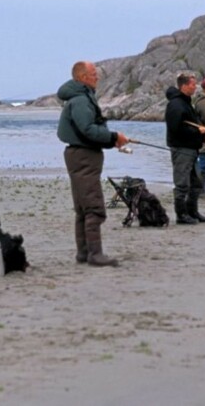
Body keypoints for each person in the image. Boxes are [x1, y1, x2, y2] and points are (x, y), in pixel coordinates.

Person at [57, 61, 130, 267]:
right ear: (82, 77)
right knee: (93, 207)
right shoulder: (80, 100)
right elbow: (88, 129)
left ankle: (84, 253)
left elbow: (89, 130)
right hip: (83, 156)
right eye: (93, 74)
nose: (97, 77)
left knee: (83, 208)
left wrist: (111, 140)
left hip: (80, 155)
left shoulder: (80, 97)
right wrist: (114, 136)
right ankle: (95, 255)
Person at [165, 72, 205, 225]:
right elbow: (175, 128)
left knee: (196, 182)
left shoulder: (186, 102)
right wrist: (197, 131)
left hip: (192, 148)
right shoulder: (176, 105)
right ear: (184, 86)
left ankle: (192, 211)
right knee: (182, 183)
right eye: (192, 84)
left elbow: (191, 124)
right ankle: (181, 215)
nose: (195, 86)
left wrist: (203, 135)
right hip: (181, 149)